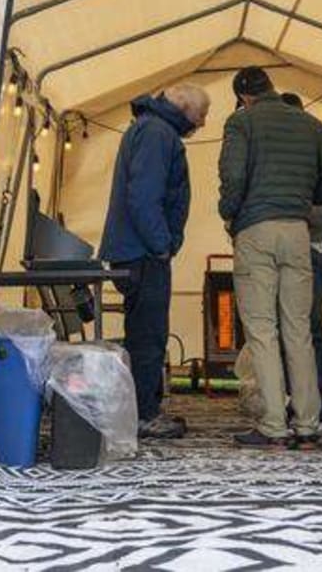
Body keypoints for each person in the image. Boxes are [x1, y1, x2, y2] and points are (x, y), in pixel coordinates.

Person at [219, 68, 322, 449]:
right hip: (297, 232)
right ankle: (308, 424)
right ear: (271, 89)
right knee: (300, 330)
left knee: (262, 330)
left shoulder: (241, 123)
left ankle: (274, 425)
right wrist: (302, 200)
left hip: (256, 230)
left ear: (243, 96)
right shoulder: (311, 124)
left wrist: (231, 214)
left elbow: (233, 177)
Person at [100, 83, 210, 440]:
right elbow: (144, 196)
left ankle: (143, 409)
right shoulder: (157, 133)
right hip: (143, 251)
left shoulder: (148, 127)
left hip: (134, 249)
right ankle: (144, 415)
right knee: (149, 336)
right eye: (201, 114)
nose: (203, 123)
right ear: (183, 106)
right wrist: (162, 244)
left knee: (144, 334)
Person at [281, 92, 322, 428]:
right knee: (283, 329)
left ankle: (317, 403)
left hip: (314, 252)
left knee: (310, 327)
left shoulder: (321, 152)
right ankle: (292, 401)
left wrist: (285, 210)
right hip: (287, 252)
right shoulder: (273, 159)